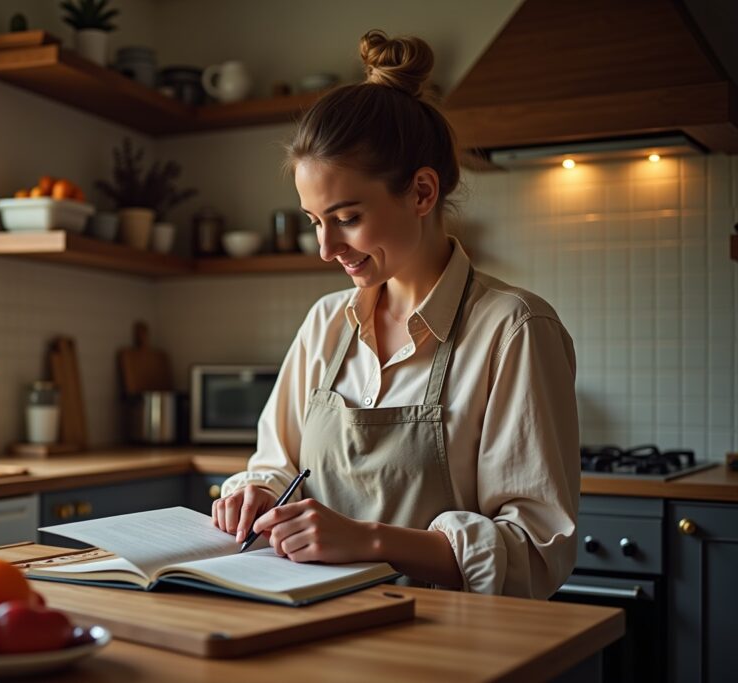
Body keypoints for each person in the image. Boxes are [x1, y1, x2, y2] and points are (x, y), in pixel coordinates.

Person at [212, 30, 579, 599]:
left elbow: (533, 551)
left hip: (448, 647)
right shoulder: (325, 324)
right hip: (313, 633)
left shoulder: (515, 330)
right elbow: (278, 464)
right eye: (314, 220)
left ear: (423, 192)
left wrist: (371, 540)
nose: (325, 248)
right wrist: (258, 492)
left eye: (347, 217)